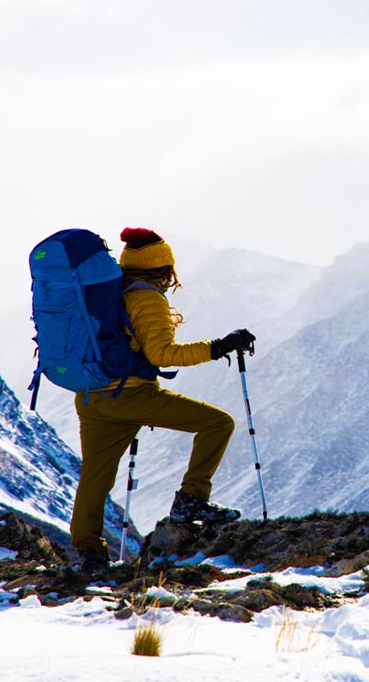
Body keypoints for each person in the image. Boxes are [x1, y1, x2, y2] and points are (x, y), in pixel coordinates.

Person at [70, 227, 256, 571]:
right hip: (132, 394)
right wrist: (219, 347)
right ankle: (191, 500)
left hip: (93, 397)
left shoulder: (108, 295)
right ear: (164, 268)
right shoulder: (146, 297)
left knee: (95, 477)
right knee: (218, 423)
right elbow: (161, 354)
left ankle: (89, 552)